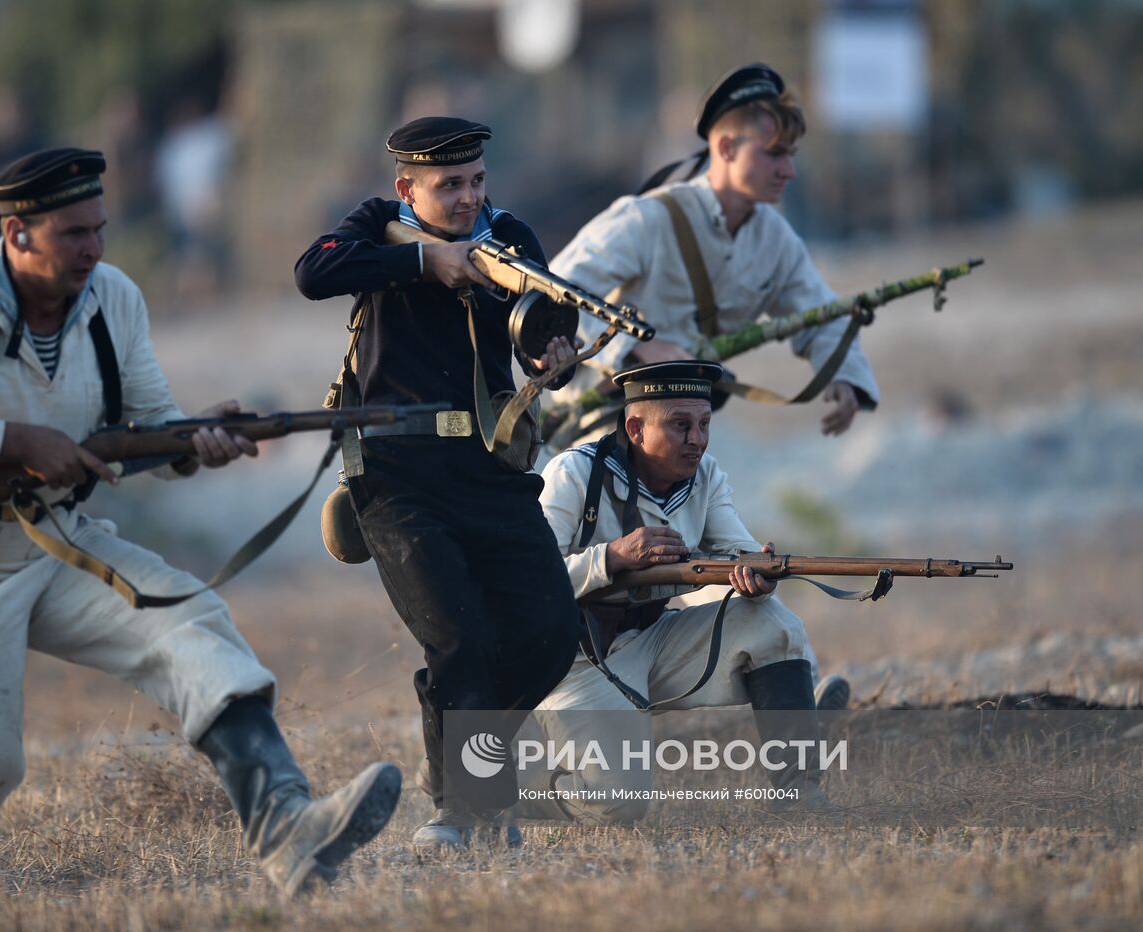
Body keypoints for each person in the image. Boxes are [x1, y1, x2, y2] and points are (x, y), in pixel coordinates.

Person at [0, 148, 400, 911]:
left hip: (56, 539)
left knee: (190, 623)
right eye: (73, 234)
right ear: (16, 233)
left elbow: (147, 428)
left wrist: (197, 446)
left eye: (99, 229)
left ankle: (287, 826)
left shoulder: (113, 299)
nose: (94, 249)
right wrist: (17, 443)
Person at [294, 117, 581, 851]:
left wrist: (556, 358)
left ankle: (465, 765)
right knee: (458, 635)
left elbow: (545, 335)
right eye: (448, 184)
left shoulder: (512, 237)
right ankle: (466, 808)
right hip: (396, 474)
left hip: (490, 466)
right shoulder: (375, 227)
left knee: (550, 632)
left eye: (476, 180)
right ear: (406, 189)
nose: (466, 196)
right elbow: (313, 272)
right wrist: (426, 264)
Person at [515, 360, 844, 824]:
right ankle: (512, 792)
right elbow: (525, 582)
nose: (697, 440)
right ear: (634, 427)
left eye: (704, 425)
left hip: (653, 639)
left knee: (776, 626)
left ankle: (799, 792)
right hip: (575, 657)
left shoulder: (706, 477)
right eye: (680, 425)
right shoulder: (573, 473)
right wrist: (610, 557)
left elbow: (738, 549)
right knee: (618, 804)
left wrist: (757, 573)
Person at [549, 63, 879, 438]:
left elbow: (822, 315)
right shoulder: (650, 218)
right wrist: (635, 346)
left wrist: (844, 374)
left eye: (792, 154)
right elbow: (556, 288)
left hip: (687, 428)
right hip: (605, 420)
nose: (789, 170)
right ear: (726, 148)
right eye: (774, 154)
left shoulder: (775, 239)